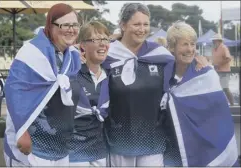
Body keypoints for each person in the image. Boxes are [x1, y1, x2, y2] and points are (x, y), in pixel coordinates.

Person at [102, 3, 209, 167]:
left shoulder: (159, 54)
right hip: (118, 141)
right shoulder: (107, 55)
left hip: (153, 141)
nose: (142, 29)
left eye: (145, 24)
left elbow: (181, 74)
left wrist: (199, 64)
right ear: (123, 25)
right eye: (136, 24)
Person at [4, 3, 81, 166]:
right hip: (34, 147)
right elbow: (13, 91)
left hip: (61, 148)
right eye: (65, 25)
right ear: (50, 26)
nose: (71, 29)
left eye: (74, 25)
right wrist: (21, 131)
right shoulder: (32, 52)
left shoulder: (73, 57)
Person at [161, 21, 239, 166]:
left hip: (202, 150)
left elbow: (219, 117)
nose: (190, 49)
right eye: (185, 44)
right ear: (172, 47)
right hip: (172, 147)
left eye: (193, 44)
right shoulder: (162, 74)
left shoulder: (207, 75)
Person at [69, 21, 110, 167]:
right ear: (83, 46)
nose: (102, 44)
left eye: (105, 39)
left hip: (100, 151)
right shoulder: (71, 72)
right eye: (96, 40)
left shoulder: (111, 74)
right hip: (74, 153)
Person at [211, 33, 235, 106]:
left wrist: (219, 64)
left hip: (224, 71)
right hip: (217, 71)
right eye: (213, 40)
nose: (213, 42)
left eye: (214, 40)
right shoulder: (214, 49)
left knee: (225, 88)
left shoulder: (223, 47)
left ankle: (232, 104)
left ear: (218, 41)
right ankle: (220, 104)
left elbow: (228, 58)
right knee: (217, 88)